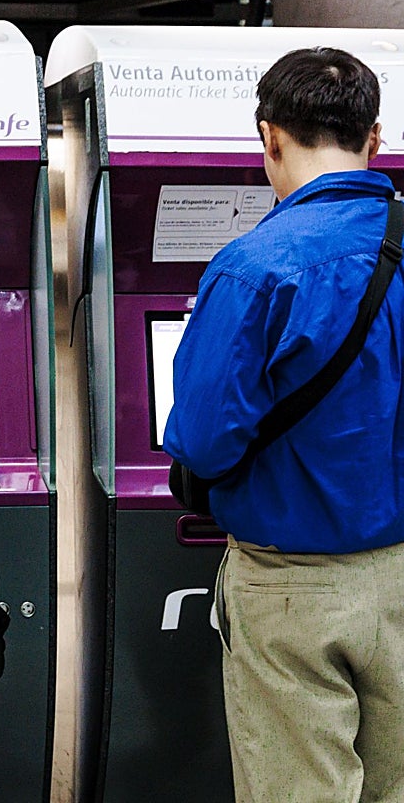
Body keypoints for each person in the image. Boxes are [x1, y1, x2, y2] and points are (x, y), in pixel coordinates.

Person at [164, 47, 404, 803]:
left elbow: (204, 440)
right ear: (374, 139)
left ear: (268, 136)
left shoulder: (253, 268)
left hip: (291, 588)